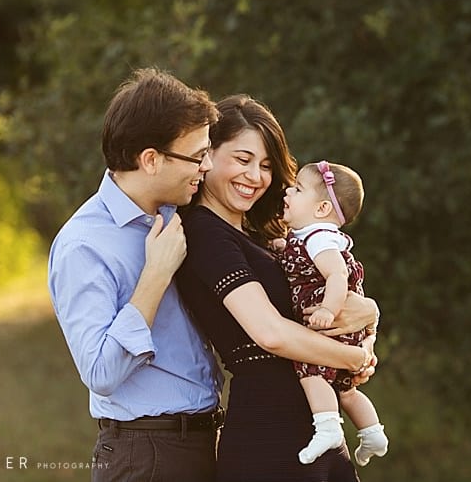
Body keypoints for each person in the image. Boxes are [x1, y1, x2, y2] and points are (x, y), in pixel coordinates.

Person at [176, 94, 381, 482]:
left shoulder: (261, 237)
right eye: (242, 159)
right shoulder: (205, 233)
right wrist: (350, 359)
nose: (255, 176)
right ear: (208, 155)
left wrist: (369, 316)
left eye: (266, 165)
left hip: (315, 426)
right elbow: (270, 333)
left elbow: (332, 294)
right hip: (269, 435)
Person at [47, 68, 224, 482]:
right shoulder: (83, 245)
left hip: (203, 441)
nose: (208, 165)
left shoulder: (178, 215)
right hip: (146, 456)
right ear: (150, 159)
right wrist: (155, 277)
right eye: (198, 156)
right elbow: (100, 373)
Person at [280, 161, 389, 466]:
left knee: (310, 369)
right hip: (347, 326)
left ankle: (327, 426)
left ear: (322, 208)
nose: (288, 191)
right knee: (346, 389)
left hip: (331, 320)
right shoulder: (312, 236)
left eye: (298, 189)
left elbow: (337, 275)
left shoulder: (319, 238)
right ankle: (372, 432)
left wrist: (328, 309)